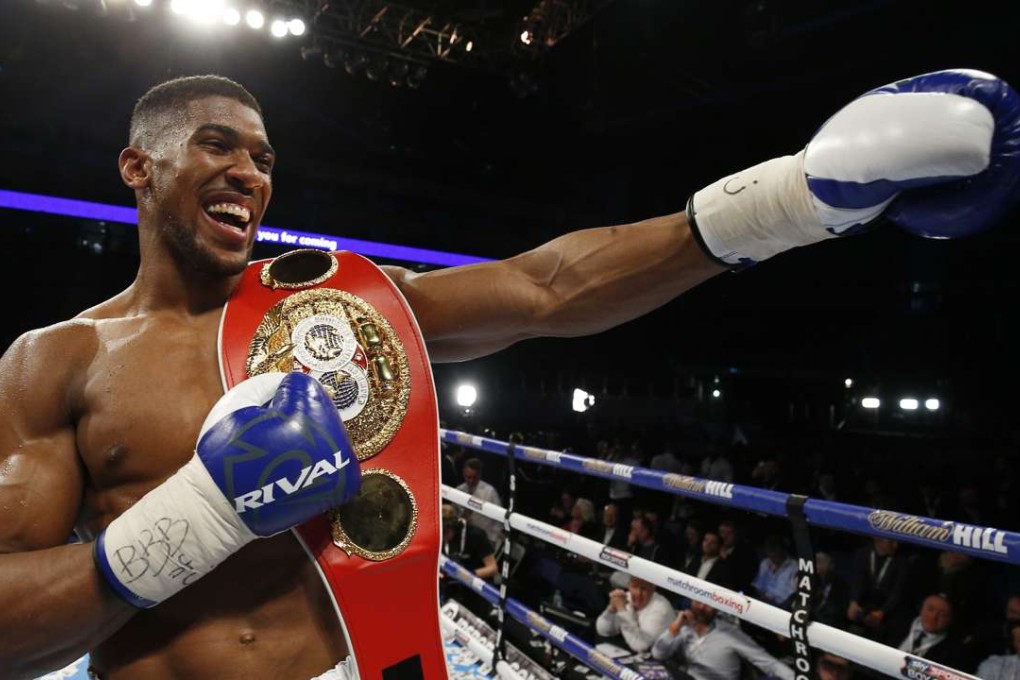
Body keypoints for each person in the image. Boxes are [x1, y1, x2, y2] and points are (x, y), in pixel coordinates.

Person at [0, 66, 1016, 680]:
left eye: (263, 157)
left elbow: (546, 286)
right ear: (138, 167)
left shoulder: (330, 312)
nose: (250, 174)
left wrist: (794, 199)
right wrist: (194, 517)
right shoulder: (57, 359)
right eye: (217, 146)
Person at [651, 601, 795, 680]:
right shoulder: (684, 627)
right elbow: (658, 654)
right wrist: (674, 628)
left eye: (707, 604)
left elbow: (767, 662)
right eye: (698, 602)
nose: (701, 607)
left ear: (717, 608)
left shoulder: (731, 634)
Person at [596, 576, 676, 653]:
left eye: (643, 589)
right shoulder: (627, 597)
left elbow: (640, 646)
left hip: (659, 656)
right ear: (629, 586)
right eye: (634, 587)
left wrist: (621, 610)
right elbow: (603, 630)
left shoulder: (661, 608)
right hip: (633, 649)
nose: (638, 593)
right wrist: (611, 609)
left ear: (652, 589)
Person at [893, 593, 970, 670]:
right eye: (930, 609)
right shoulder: (895, 624)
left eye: (942, 614)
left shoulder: (953, 652)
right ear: (921, 608)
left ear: (950, 619)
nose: (933, 617)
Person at [455, 457, 504, 547]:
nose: (471, 481)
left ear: (480, 475)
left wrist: (492, 538)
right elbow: (454, 513)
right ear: (463, 473)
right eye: (468, 477)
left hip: (485, 539)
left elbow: (499, 518)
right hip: (463, 537)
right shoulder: (458, 490)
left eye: (475, 477)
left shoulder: (490, 492)